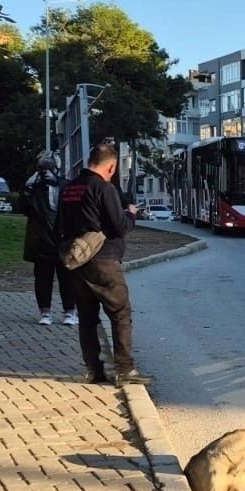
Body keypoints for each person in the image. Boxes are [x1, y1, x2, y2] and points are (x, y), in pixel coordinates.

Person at [59, 142, 151, 386]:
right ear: (111, 167)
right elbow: (118, 227)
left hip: (76, 261)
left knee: (87, 318)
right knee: (120, 314)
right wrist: (130, 213)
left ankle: (93, 369)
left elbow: (59, 224)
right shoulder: (103, 188)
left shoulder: (69, 188)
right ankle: (125, 370)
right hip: (105, 261)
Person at [21, 154, 76, 327]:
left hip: (54, 238)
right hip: (49, 238)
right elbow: (24, 208)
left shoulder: (60, 185)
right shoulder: (38, 186)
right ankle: (54, 312)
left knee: (59, 277)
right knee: (50, 278)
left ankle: (61, 312)